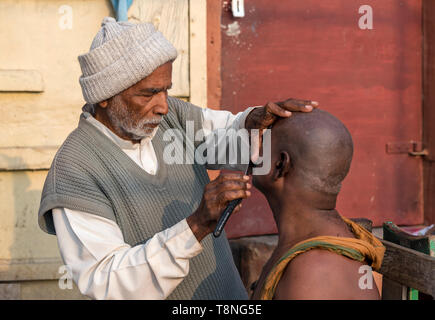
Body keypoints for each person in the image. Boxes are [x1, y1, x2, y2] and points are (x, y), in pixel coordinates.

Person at [37, 17, 318, 300]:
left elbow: (229, 137)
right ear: (105, 96)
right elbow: (109, 284)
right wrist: (196, 226)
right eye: (149, 93)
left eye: (165, 89)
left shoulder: (171, 118)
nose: (163, 105)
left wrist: (253, 124)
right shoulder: (75, 170)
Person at [250, 109, 385, 300]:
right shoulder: (312, 240)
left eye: (264, 143)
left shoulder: (313, 271)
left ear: (281, 165)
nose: (255, 148)